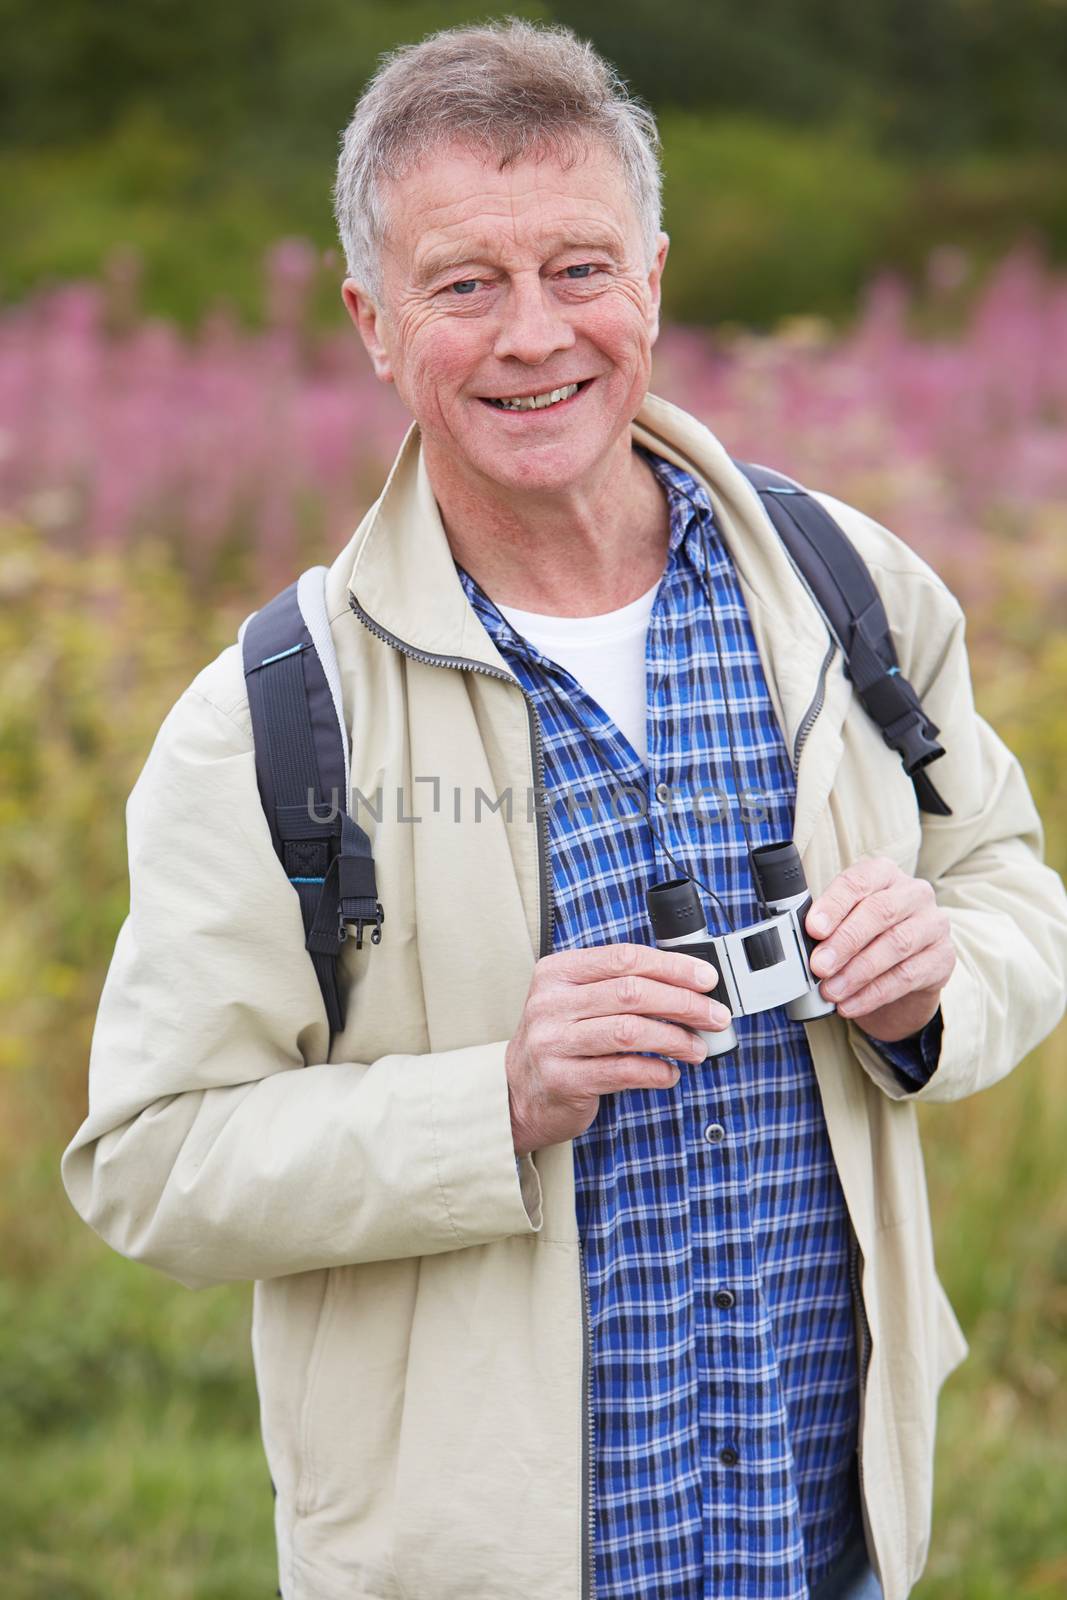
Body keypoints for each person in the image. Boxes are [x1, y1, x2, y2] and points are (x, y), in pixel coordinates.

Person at [61, 20, 1067, 1600]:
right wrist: (497, 1099)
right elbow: (150, 1159)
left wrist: (940, 976)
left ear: (653, 280)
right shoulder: (271, 713)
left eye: (581, 270)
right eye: (466, 285)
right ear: (373, 325)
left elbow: (1010, 879)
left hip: (834, 1545)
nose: (537, 335)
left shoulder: (848, 586)